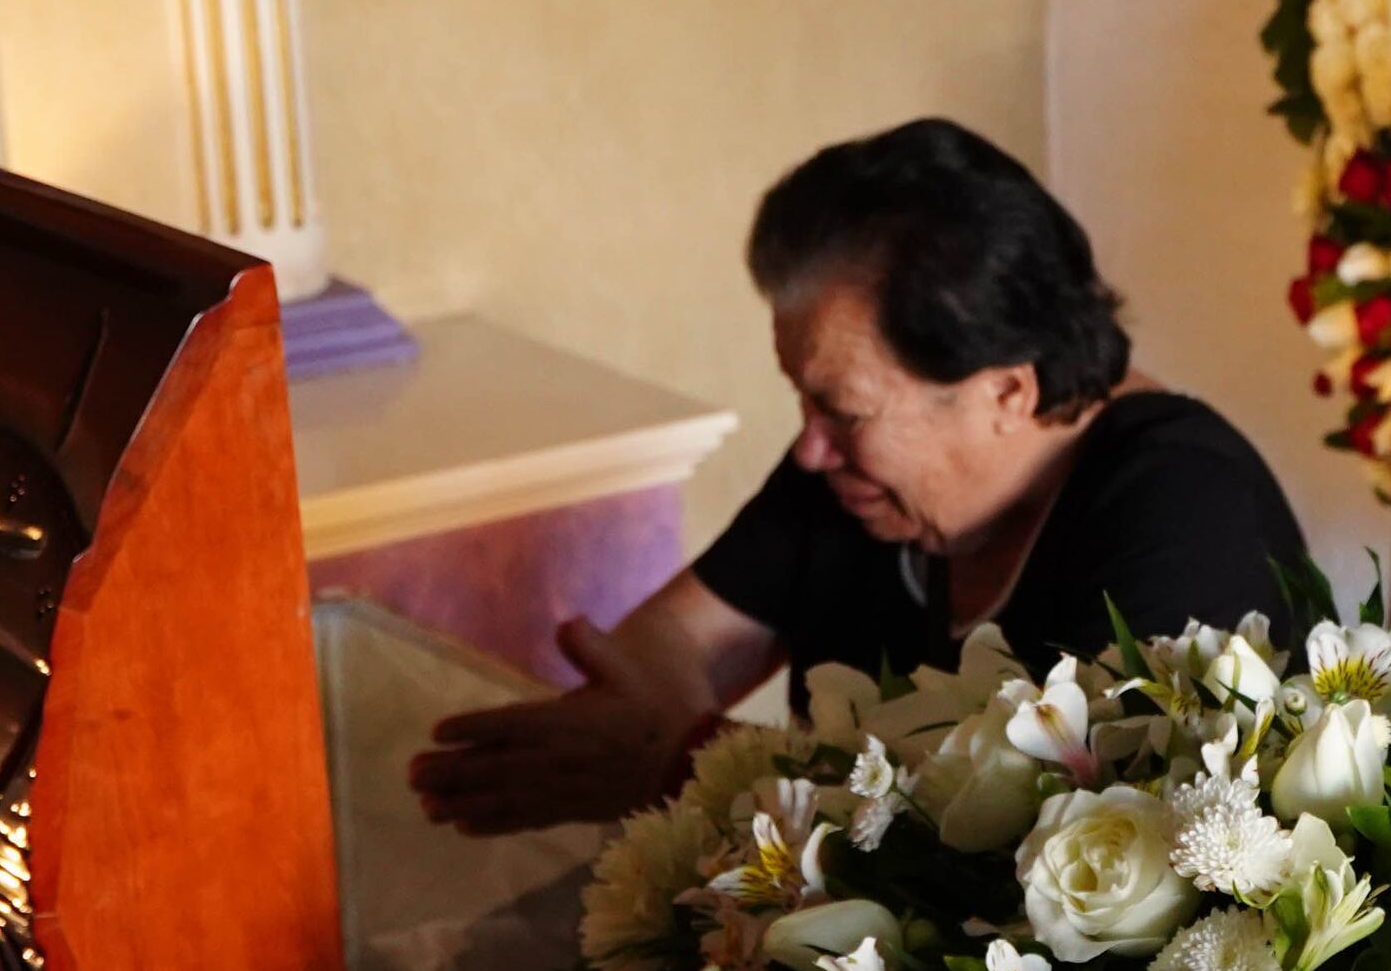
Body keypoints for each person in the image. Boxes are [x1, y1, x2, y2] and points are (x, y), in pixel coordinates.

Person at [408, 120, 1305, 834]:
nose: (809, 449)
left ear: (1006, 389)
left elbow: (1049, 848)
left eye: (843, 408)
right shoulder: (852, 480)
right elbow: (660, 646)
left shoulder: (1185, 513)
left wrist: (683, 763)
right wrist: (692, 749)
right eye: (803, 400)